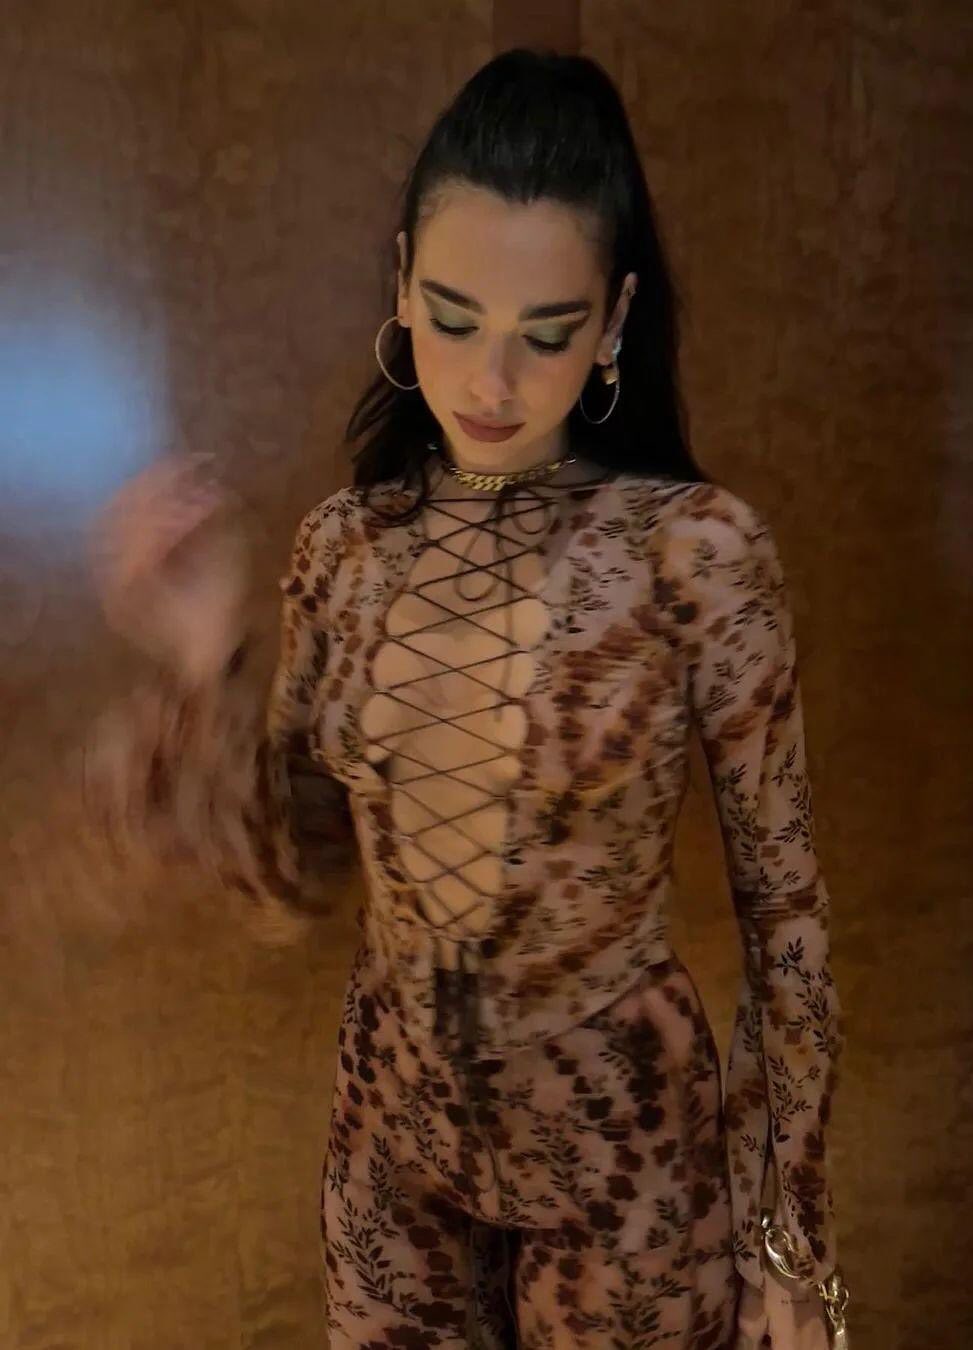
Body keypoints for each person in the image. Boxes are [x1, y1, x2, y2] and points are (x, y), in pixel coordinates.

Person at [87, 48, 846, 1350]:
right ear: (401, 283)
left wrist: (790, 1245)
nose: (492, 382)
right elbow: (292, 880)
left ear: (612, 320)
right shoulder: (345, 548)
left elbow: (787, 920)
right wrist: (206, 654)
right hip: (393, 1145)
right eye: (451, 317)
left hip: (625, 1158)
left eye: (545, 333)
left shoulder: (698, 555)